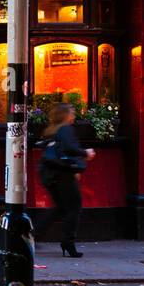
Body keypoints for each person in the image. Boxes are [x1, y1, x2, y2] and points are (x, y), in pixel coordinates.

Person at [39, 102, 94, 258]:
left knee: (61, 208)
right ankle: (68, 243)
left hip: (51, 175)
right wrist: (86, 152)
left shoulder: (51, 131)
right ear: (65, 115)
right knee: (74, 208)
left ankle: (34, 234)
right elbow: (70, 148)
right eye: (72, 112)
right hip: (63, 175)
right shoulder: (65, 129)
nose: (74, 115)